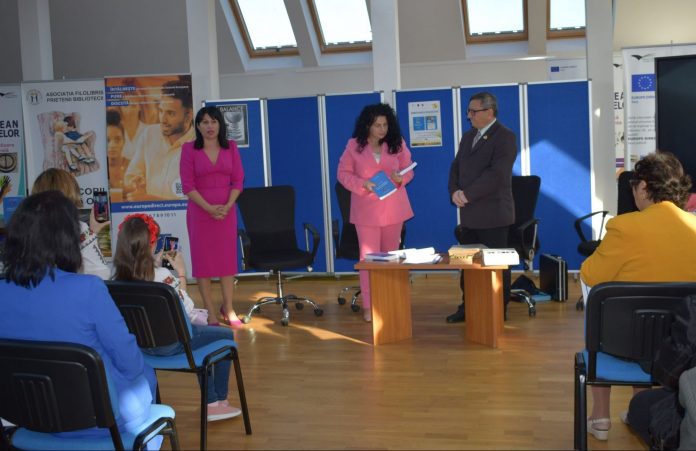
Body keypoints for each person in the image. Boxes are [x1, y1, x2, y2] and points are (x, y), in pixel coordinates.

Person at [0, 191, 160, 445]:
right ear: (67, 238)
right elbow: (130, 362)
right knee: (146, 375)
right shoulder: (88, 289)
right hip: (100, 420)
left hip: (28, 418)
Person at [580, 151, 696, 441]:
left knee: (600, 307)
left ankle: (601, 416)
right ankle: (641, 409)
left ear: (644, 187)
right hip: (681, 345)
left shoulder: (625, 226)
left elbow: (590, 274)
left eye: (633, 185)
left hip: (624, 342)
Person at [113, 213, 242, 421]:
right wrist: (181, 273)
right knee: (225, 336)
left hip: (141, 347)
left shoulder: (115, 279)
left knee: (207, 337)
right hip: (173, 344)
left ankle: (216, 402)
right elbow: (186, 308)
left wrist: (154, 264)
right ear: (152, 245)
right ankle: (215, 402)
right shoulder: (163, 276)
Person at [337, 103, 415, 322]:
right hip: (366, 211)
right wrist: (363, 184)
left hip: (393, 209)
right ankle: (369, 306)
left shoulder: (397, 143)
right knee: (369, 259)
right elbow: (343, 174)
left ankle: (390, 301)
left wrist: (401, 178)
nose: (382, 129)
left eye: (385, 125)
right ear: (367, 125)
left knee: (391, 258)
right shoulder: (354, 146)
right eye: (377, 125)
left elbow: (409, 169)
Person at [446, 91, 517, 323]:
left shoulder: (505, 137)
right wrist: (454, 191)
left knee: (497, 267)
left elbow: (497, 175)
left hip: (493, 215)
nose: (469, 116)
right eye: (469, 111)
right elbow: (456, 167)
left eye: (473, 111)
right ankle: (468, 307)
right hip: (470, 215)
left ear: (489, 112)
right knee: (467, 265)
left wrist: (467, 194)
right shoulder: (468, 137)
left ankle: (498, 310)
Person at [180, 106, 245, 326]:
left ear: (220, 124)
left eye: (214, 121)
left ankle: (229, 308)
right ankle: (210, 311)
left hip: (226, 212)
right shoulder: (189, 149)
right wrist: (209, 208)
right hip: (200, 213)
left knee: (227, 262)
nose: (210, 126)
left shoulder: (231, 147)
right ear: (198, 126)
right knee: (204, 263)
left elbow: (238, 181)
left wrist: (228, 205)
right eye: (205, 122)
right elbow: (188, 186)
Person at [31, 168, 111, 279]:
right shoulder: (78, 228)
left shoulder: (25, 227)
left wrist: (92, 232)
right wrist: (89, 233)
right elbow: (102, 275)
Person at [124, 79, 195, 201]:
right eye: (161, 111)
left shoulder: (199, 146)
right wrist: (134, 181)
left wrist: (148, 200)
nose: (163, 119)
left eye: (170, 113)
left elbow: (191, 202)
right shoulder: (149, 134)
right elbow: (131, 174)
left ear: (188, 116)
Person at [106, 109, 127, 191]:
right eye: (107, 140)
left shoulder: (133, 167)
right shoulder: (96, 170)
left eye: (117, 139)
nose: (112, 145)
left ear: (124, 141)